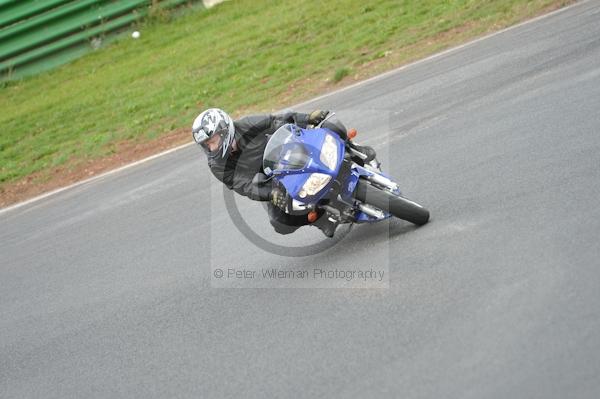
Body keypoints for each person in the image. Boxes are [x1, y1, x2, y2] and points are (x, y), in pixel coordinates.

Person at [192, 108, 376, 237]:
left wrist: (308, 118)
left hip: (287, 154)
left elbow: (276, 121)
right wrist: (270, 193)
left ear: (224, 131)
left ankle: (354, 149)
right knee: (280, 223)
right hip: (270, 180)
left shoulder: (247, 124)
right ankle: (322, 218)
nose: (211, 147)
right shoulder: (216, 164)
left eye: (212, 140)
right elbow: (243, 186)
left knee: (329, 124)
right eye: (206, 145)